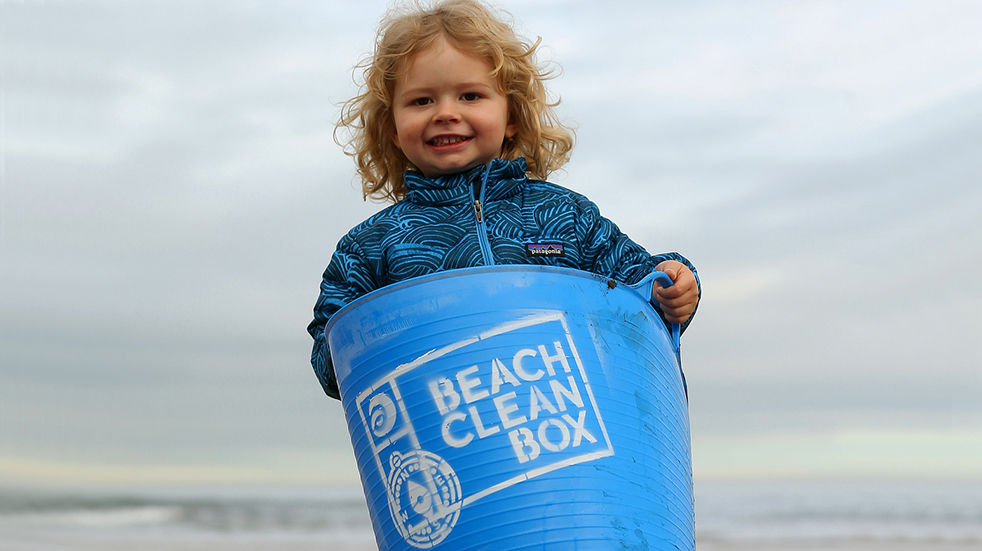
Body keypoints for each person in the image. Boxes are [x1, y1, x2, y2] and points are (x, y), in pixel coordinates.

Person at [308, 0, 700, 399]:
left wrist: (675, 284)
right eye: (421, 100)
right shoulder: (371, 246)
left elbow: (637, 286)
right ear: (392, 126)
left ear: (511, 116)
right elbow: (330, 357)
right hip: (448, 437)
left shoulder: (564, 215)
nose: (445, 112)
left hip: (576, 430)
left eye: (470, 96)